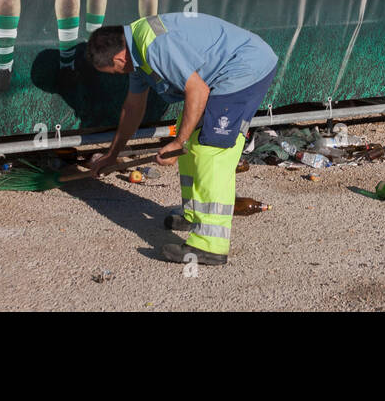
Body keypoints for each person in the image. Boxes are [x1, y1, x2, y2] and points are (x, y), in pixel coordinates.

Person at [85, 15, 277, 266]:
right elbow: (133, 108)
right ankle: (194, 214)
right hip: (224, 72)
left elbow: (197, 90)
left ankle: (210, 246)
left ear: (118, 59)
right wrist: (113, 154)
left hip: (246, 66)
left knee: (211, 150)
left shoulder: (153, 46)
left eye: (115, 71)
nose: (119, 74)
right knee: (192, 144)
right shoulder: (134, 52)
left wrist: (178, 142)